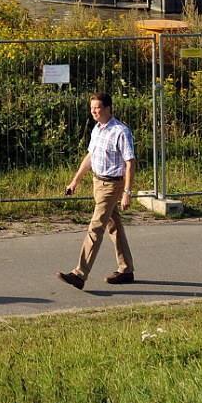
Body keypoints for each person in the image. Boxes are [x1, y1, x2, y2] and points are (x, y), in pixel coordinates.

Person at [58, 91, 136, 290]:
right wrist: (75, 181)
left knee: (96, 227)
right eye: (92, 108)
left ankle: (79, 274)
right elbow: (90, 156)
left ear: (108, 108)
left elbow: (130, 162)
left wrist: (127, 192)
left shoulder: (120, 131)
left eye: (97, 107)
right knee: (114, 225)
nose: (93, 111)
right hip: (97, 183)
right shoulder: (97, 129)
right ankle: (126, 270)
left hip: (112, 185)